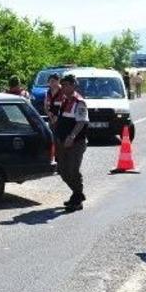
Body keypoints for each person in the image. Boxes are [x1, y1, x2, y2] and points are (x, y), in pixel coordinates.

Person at [55, 74, 89, 212]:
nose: (63, 87)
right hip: (62, 141)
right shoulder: (64, 100)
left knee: (73, 170)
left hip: (76, 142)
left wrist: (72, 136)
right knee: (62, 170)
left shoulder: (79, 102)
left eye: (66, 85)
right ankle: (78, 194)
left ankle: (77, 199)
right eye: (62, 85)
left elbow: (81, 122)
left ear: (73, 85)